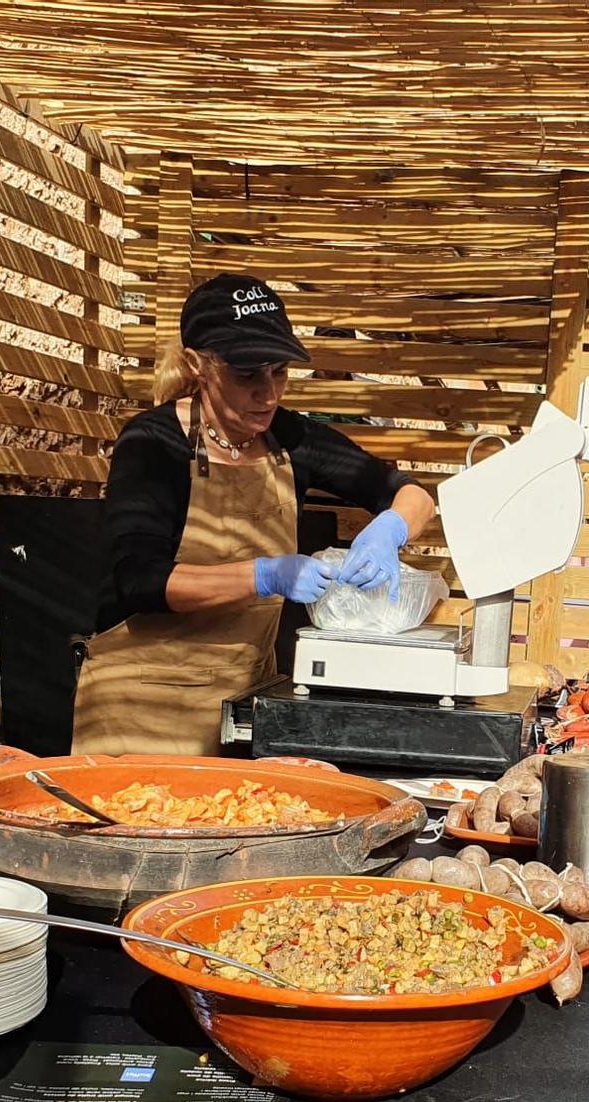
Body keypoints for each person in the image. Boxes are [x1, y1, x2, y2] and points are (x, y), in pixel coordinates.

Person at [81, 275, 438, 754]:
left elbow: (410, 493)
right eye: (247, 374)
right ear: (198, 366)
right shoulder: (153, 443)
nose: (268, 394)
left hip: (244, 701)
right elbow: (140, 580)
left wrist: (391, 527)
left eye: (279, 372)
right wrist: (264, 575)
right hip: (140, 707)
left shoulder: (291, 438)